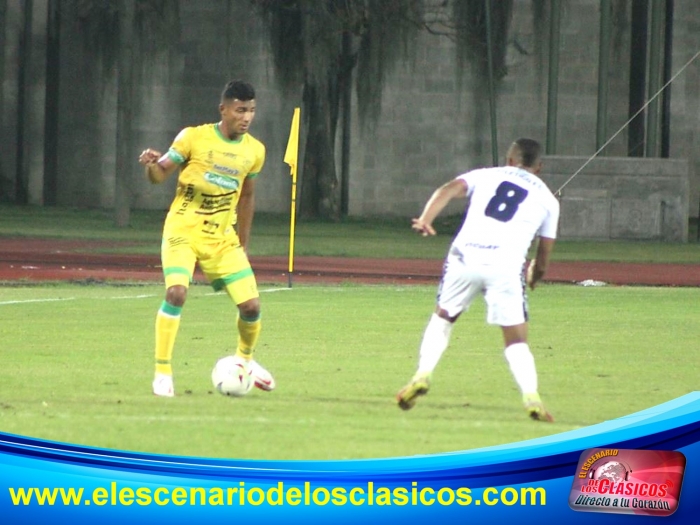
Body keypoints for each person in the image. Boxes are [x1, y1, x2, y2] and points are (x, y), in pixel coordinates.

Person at [396, 138, 559, 421]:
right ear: (539, 167)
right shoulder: (548, 199)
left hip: (465, 257)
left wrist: (426, 219)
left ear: (510, 160)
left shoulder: (486, 175)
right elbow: (543, 256)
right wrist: (535, 274)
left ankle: (422, 374)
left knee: (443, 317)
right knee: (516, 340)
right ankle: (531, 397)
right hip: (505, 266)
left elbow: (447, 190)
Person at [138, 80, 275, 397]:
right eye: (240, 110)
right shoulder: (193, 138)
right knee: (176, 293)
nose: (246, 117)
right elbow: (160, 174)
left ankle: (245, 362)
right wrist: (151, 166)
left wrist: (243, 243)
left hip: (222, 239)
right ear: (223, 110)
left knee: (251, 306)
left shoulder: (254, 151)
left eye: (251, 110)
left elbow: (247, 196)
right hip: (183, 231)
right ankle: (162, 373)